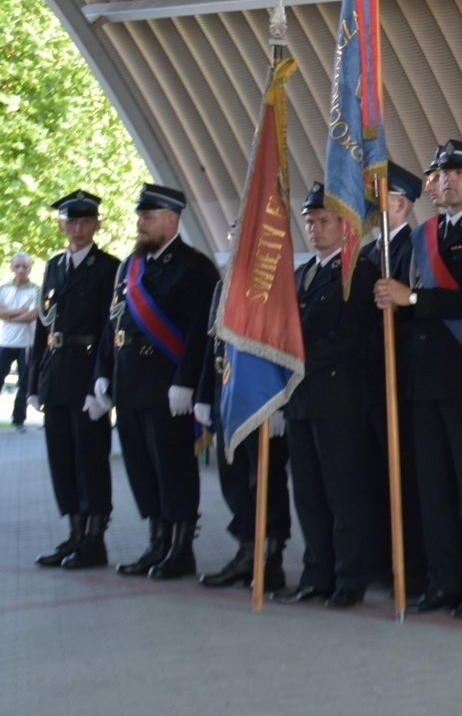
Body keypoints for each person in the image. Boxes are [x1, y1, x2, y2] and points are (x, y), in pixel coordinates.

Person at [375, 140, 462, 619]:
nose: (445, 180)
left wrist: (410, 302)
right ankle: (444, 580)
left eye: (456, 172)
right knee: (432, 486)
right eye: (439, 173)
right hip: (424, 377)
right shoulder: (423, 234)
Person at [95, 183, 219, 579]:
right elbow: (112, 324)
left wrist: (188, 382)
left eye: (147, 218)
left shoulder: (194, 266)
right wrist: (101, 374)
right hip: (130, 384)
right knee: (141, 468)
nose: (140, 225)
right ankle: (157, 542)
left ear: (171, 220)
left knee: (173, 468)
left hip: (168, 388)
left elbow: (202, 331)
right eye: (140, 218)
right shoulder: (130, 267)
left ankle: (181, 549)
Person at [276, 183, 379, 607]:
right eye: (309, 222)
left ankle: (348, 579)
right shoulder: (302, 274)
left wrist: (297, 358)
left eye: (323, 221)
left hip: (339, 397)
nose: (314, 229)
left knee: (343, 491)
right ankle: (315, 573)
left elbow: (350, 337)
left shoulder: (359, 270)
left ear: (343, 224)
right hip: (302, 399)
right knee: (308, 493)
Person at [27, 191, 118, 568]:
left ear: (97, 224)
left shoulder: (108, 267)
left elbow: (110, 329)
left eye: (85, 222)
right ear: (62, 225)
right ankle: (75, 534)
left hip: (86, 377)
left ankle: (95, 540)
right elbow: (43, 327)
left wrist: (102, 384)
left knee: (90, 460)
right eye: (71, 222)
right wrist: (33, 383)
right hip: (57, 373)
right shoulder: (53, 266)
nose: (78, 229)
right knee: (61, 459)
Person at [194, 278, 291, 592]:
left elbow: (283, 342)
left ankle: (272, 559)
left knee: (265, 481)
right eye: (234, 229)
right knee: (233, 479)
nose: (236, 237)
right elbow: (214, 343)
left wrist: (280, 403)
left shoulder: (277, 282)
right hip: (228, 395)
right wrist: (204, 396)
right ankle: (247, 552)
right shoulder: (224, 284)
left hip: (262, 400)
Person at [361, 162, 423, 591]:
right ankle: (384, 558)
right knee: (377, 473)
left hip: (402, 374)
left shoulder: (414, 247)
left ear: (400, 205)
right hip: (370, 377)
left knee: (409, 474)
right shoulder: (367, 253)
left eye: (380, 204)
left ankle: (413, 565)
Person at [1, 250, 40, 429]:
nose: (21, 269)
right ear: (12, 268)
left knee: (24, 384)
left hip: (26, 344)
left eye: (25, 266)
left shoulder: (36, 290)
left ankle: (18, 421)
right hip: (5, 343)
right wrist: (20, 313)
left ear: (30, 268)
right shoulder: (4, 289)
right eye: (17, 266)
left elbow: (32, 315)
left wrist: (9, 317)